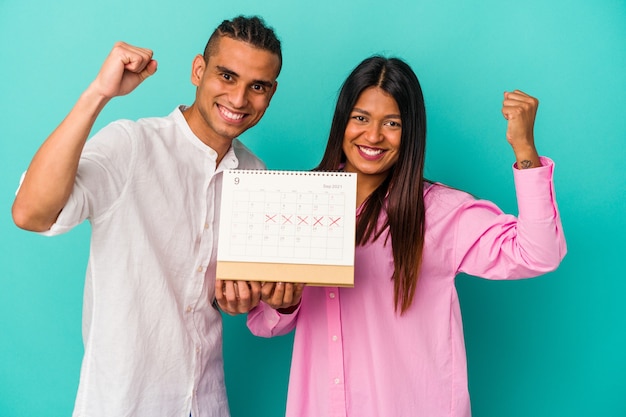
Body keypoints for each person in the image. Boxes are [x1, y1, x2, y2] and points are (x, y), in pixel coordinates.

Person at [246, 56, 567, 417]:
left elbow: (539, 253)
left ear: (410, 131)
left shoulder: (441, 213)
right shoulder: (300, 200)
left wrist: (524, 149)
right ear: (342, 121)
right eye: (361, 117)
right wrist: (284, 303)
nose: (373, 136)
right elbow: (263, 322)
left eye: (392, 123)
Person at [12, 15, 282, 417]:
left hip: (206, 401)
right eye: (227, 76)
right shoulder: (131, 144)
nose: (239, 99)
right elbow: (31, 214)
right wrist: (99, 94)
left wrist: (241, 299)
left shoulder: (256, 175)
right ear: (198, 70)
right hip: (125, 402)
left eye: (256, 86)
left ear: (271, 92)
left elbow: (228, 296)